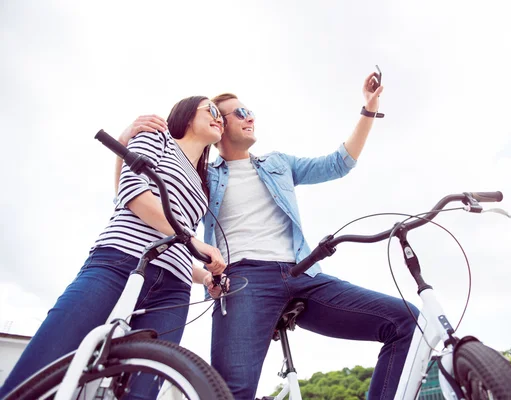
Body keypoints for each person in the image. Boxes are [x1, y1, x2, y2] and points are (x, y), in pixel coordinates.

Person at [119, 73, 419, 400]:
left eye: (250, 110)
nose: (250, 117)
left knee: (405, 321)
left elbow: (339, 163)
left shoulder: (278, 164)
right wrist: (125, 144)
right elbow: (154, 203)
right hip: (244, 280)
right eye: (239, 113)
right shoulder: (202, 175)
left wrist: (369, 108)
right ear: (218, 126)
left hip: (304, 273)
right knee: (230, 393)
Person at [0, 96, 227, 400]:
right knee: (46, 362)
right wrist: (192, 239)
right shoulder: (156, 137)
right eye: (211, 110)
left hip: (173, 288)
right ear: (186, 115)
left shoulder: (203, 185)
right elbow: (133, 193)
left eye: (221, 116)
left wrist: (204, 276)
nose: (219, 118)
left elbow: (177, 244)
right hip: (119, 262)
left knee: (143, 390)